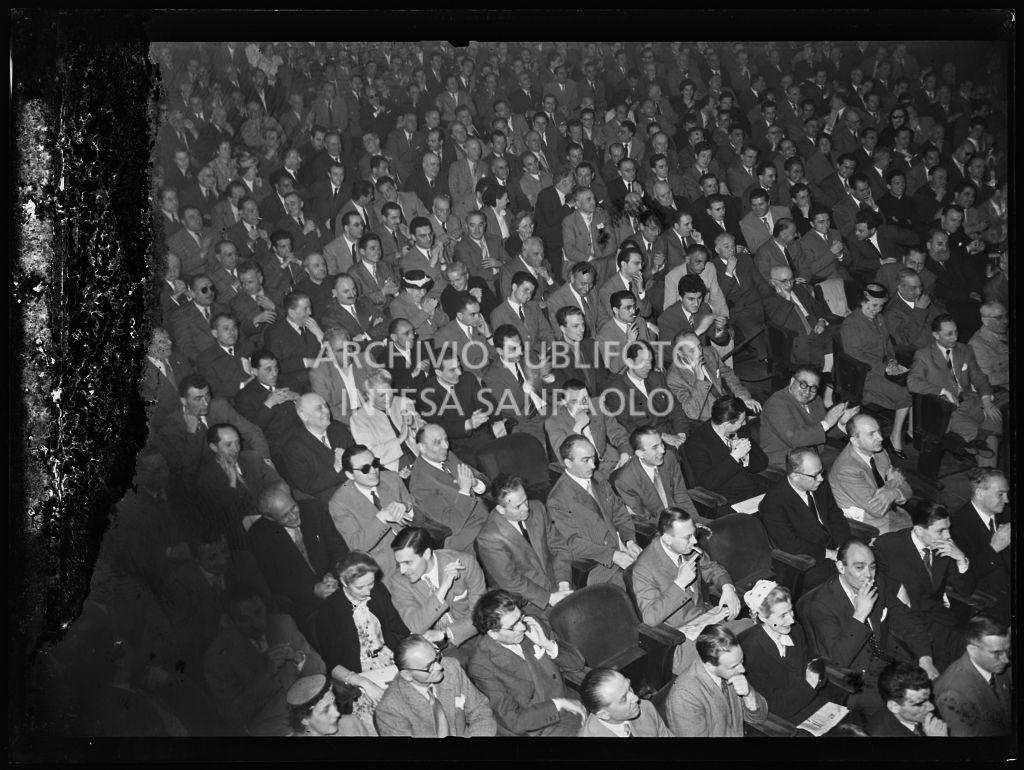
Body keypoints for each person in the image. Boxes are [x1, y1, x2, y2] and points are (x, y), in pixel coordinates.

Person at [799, 539, 938, 719]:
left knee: (932, 696)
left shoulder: (877, 582)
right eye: (859, 567)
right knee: (909, 711)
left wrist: (925, 658)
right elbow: (837, 661)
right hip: (855, 679)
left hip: (889, 660)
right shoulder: (819, 605)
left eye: (872, 567)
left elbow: (906, 620)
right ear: (841, 567)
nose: (868, 575)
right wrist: (859, 615)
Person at [631, 507, 746, 671]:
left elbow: (713, 569)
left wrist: (728, 589)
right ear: (668, 539)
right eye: (687, 537)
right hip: (679, 639)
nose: (694, 541)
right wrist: (679, 584)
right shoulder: (644, 569)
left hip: (706, 620)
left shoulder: (688, 549)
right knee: (730, 658)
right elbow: (650, 618)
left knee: (749, 632)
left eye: (694, 533)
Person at [203, 583, 326, 736]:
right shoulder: (218, 658)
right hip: (274, 731)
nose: (256, 623)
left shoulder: (283, 624)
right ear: (229, 621)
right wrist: (266, 674)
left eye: (258, 612)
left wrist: (297, 657)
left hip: (313, 715)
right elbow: (233, 717)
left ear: (265, 605)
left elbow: (320, 670)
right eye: (244, 619)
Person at [466, 589, 587, 736]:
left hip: (571, 700)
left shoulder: (532, 623)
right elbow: (514, 721)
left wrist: (548, 645)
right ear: (493, 633)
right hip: (542, 726)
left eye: (520, 618)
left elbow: (577, 664)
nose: (522, 627)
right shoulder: (481, 666)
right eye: (513, 626)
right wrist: (559, 705)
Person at [315, 551, 410, 736]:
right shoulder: (329, 610)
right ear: (344, 582)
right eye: (360, 587)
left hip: (389, 658)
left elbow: (398, 629)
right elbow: (332, 664)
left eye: (371, 583)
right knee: (380, 718)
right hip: (356, 673)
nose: (368, 592)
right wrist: (365, 684)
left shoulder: (379, 591)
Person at [874, 501, 974, 671]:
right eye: (941, 530)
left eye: (948, 528)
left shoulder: (947, 547)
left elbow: (965, 590)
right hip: (907, 624)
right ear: (919, 530)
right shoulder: (888, 546)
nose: (948, 536)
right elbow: (876, 583)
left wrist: (961, 559)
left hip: (941, 620)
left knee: (971, 658)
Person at [248, 482, 349, 640]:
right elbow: (274, 582)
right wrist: (312, 590)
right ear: (269, 518)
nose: (294, 516)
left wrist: (332, 574)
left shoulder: (313, 509)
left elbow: (339, 549)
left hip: (338, 582)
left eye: (293, 508)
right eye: (284, 516)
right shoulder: (259, 536)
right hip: (304, 603)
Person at [546, 434, 640, 589]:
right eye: (585, 460)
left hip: (624, 553)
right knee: (644, 589)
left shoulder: (598, 479)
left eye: (593, 458)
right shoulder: (558, 499)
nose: (593, 465)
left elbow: (619, 513)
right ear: (568, 463)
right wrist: (613, 556)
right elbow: (573, 543)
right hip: (599, 566)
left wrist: (628, 540)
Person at [908, 314, 1002, 466]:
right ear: (936, 335)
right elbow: (912, 382)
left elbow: (978, 377)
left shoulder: (965, 350)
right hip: (947, 410)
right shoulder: (924, 355)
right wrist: (942, 390)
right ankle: (986, 478)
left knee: (996, 417)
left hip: (971, 402)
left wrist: (986, 400)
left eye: (956, 332)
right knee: (989, 439)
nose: (954, 338)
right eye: (949, 334)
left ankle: (978, 451)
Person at [386, 527, 487, 666]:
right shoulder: (398, 582)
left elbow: (481, 615)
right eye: (399, 563)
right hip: (439, 650)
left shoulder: (465, 563)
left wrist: (446, 634)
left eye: (408, 563)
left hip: (476, 634)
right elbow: (416, 626)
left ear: (426, 553)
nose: (402, 570)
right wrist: (442, 590)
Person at [738, 580, 835, 724]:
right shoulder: (749, 650)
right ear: (763, 617)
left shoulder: (795, 630)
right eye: (783, 615)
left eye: (791, 610)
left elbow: (813, 662)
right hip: (785, 721)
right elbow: (771, 707)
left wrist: (815, 678)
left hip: (813, 702)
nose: (791, 620)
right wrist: (809, 684)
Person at [475, 475, 573, 613]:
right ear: (501, 509)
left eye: (525, 500)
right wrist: (548, 598)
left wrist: (563, 581)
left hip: (559, 583)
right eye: (518, 507)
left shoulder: (538, 508)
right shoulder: (489, 538)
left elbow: (559, 546)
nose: (526, 508)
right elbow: (511, 581)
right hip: (529, 601)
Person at [759, 447, 853, 590]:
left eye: (821, 472)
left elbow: (835, 516)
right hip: (810, 558)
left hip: (835, 545)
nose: (821, 478)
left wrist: (842, 545)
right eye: (815, 475)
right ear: (795, 476)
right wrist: (830, 554)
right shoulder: (774, 501)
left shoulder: (818, 484)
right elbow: (790, 543)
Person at [374, 634, 497, 737]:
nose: (439, 667)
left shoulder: (451, 668)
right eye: (429, 667)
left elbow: (480, 710)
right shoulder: (389, 709)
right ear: (407, 675)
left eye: (436, 658)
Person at [839, 284, 911, 457]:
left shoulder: (880, 319)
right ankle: (895, 436)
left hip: (884, 368)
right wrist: (884, 368)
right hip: (864, 375)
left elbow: (887, 345)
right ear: (862, 303)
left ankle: (909, 431)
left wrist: (892, 360)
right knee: (905, 395)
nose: (877, 310)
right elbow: (855, 356)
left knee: (915, 384)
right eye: (872, 306)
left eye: (880, 306)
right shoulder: (851, 324)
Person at [664, 623, 769, 737]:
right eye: (733, 666)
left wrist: (749, 694)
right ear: (710, 665)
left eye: (741, 660)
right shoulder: (684, 697)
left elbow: (759, 717)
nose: (742, 669)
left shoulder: (729, 669)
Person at [407, 424, 490, 552]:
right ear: (422, 447)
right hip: (466, 536)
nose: (446, 446)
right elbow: (453, 524)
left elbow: (483, 479)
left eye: (446, 440)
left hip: (484, 517)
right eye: (438, 442)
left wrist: (475, 483)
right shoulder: (420, 484)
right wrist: (464, 490)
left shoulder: (447, 455)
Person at [829, 413, 914, 534]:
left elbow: (908, 490)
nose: (880, 437)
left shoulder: (879, 451)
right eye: (871, 434)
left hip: (894, 514)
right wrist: (892, 484)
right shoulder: (846, 471)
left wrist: (893, 493)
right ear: (855, 441)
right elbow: (878, 510)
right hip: (871, 528)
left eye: (879, 431)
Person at [759, 366, 858, 469]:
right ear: (792, 381)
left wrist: (841, 422)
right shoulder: (777, 403)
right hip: (786, 462)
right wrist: (827, 423)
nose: (807, 392)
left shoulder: (816, 401)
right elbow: (795, 439)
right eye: (803, 385)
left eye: (813, 388)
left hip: (813, 455)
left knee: (851, 460)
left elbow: (825, 432)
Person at [684, 395, 771, 506]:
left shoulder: (740, 430)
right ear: (726, 424)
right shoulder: (696, 444)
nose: (744, 423)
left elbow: (763, 462)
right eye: (741, 421)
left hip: (755, 486)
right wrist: (735, 456)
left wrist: (745, 457)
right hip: (728, 497)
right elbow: (708, 482)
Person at [933, 616, 1011, 736]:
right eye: (997, 653)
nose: (1006, 660)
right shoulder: (954, 694)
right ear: (973, 650)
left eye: (1008, 651)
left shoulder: (995, 663)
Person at [611, 425, 701, 524]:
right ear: (640, 454)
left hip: (681, 518)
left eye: (661, 443)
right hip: (658, 527)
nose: (662, 450)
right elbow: (645, 517)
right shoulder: (625, 480)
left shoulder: (669, 458)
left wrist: (695, 522)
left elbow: (681, 497)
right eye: (655, 447)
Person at [951, 469, 1011, 619]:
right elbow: (964, 581)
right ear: (980, 494)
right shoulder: (957, 527)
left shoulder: (1004, 512)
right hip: (992, 600)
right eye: (1000, 494)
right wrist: (994, 549)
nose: (1007, 499)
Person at [277, 392, 354, 502]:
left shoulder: (338, 428)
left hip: (355, 483)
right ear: (303, 415)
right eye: (319, 408)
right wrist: (336, 468)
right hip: (330, 496)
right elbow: (307, 485)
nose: (327, 411)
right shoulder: (293, 447)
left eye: (326, 406)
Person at [665, 331, 756, 423]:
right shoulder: (674, 378)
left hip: (729, 404)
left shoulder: (709, 352)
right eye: (692, 350)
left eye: (699, 346)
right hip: (709, 419)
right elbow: (692, 412)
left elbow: (728, 375)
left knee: (759, 416)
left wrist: (742, 395)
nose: (699, 353)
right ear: (680, 354)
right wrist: (699, 380)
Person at [577, 668, 674, 737]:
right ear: (604, 714)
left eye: (629, 688)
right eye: (624, 699)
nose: (636, 698)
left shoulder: (645, 707)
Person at [866, 662, 949, 737]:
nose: (932, 707)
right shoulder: (878, 734)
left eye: (929, 697)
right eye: (919, 704)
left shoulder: (923, 702)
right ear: (894, 707)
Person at [285, 674, 367, 737]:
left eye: (334, 703)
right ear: (304, 719)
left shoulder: (352, 725)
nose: (337, 713)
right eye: (326, 710)